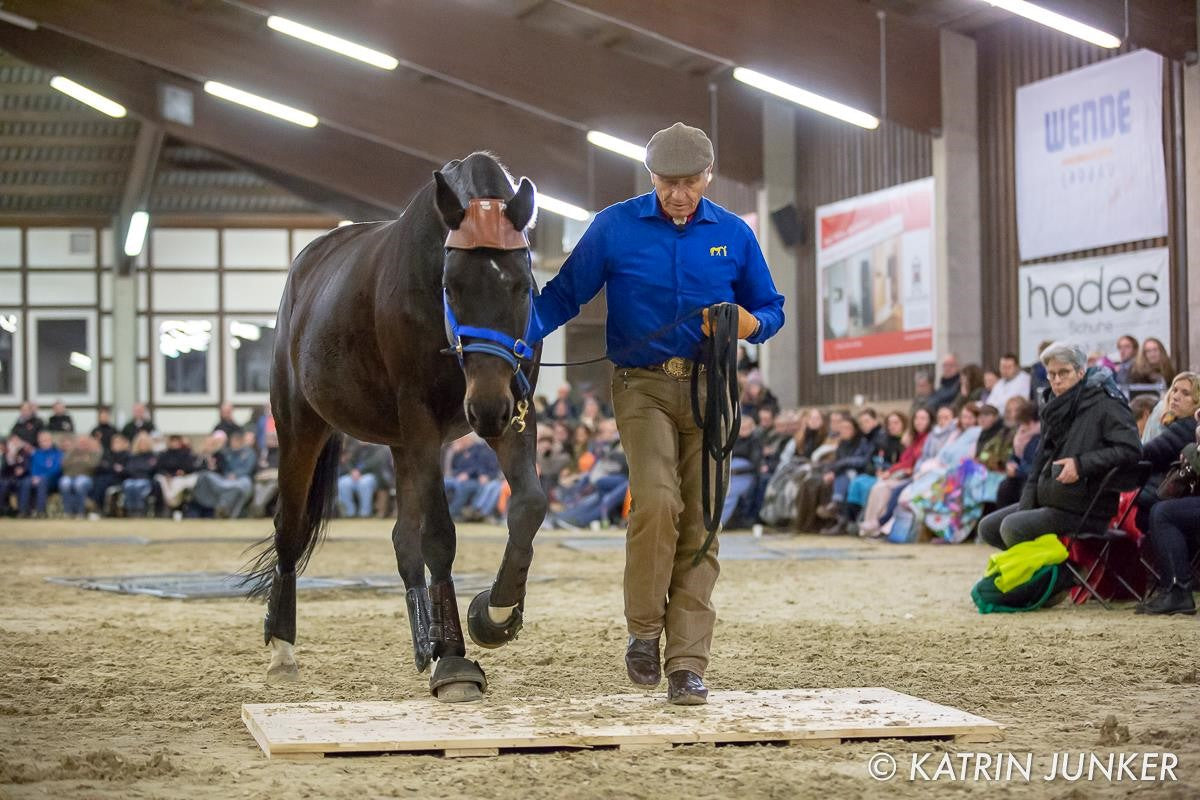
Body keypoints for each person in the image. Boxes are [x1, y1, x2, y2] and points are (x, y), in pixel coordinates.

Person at [527, 121, 785, 705]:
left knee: (702, 523)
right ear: (651, 178)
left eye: (690, 183)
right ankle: (644, 630)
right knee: (659, 500)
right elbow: (564, 294)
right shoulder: (614, 227)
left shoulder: (736, 234)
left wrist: (750, 323)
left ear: (708, 177)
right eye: (668, 183)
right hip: (641, 386)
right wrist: (517, 338)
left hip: (712, 390)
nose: (678, 194)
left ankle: (686, 664)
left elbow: (771, 308)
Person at [978, 342, 1142, 551]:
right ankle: (1049, 573)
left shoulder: (1107, 404)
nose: (1056, 380)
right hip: (1051, 498)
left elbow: (1131, 450)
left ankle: (1055, 577)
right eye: (1051, 374)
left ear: (1081, 372)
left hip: (1087, 507)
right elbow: (1038, 462)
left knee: (1012, 528)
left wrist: (1081, 465)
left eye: (1063, 373)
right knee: (988, 528)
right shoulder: (1052, 405)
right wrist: (1027, 505)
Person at [1138, 409, 1200, 615]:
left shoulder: (1184, 425)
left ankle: (1178, 590)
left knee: (1164, 514)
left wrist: (1191, 450)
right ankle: (1174, 588)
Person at [1134, 373, 1199, 529]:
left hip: (1167, 495)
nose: (1176, 396)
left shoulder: (1188, 426)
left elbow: (1149, 451)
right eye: (1174, 390)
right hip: (1164, 491)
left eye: (1185, 393)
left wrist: (1120, 452)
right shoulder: (1176, 424)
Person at [857, 407, 933, 538]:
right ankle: (869, 524)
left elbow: (912, 463)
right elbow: (904, 460)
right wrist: (888, 471)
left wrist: (891, 471)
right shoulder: (913, 439)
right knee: (877, 487)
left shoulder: (927, 438)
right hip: (902, 473)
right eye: (917, 418)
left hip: (914, 476)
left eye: (923, 419)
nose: (919, 422)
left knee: (884, 488)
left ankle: (878, 524)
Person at [193, 430, 256, 518]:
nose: (234, 443)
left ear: (241, 441)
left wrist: (236, 475)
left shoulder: (249, 453)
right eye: (233, 441)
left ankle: (226, 509)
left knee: (239, 487)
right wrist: (228, 475)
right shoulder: (227, 453)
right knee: (224, 485)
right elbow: (224, 467)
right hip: (227, 479)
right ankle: (222, 509)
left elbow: (248, 469)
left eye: (236, 441)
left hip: (242, 479)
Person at [19, 430, 63, 517]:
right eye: (42, 441)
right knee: (25, 482)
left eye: (46, 440)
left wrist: (41, 477)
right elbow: (33, 468)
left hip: (52, 480)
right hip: (36, 478)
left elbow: (56, 469)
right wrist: (34, 477)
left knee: (43, 481)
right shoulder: (36, 453)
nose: (44, 443)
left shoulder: (58, 453)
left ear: (51, 440)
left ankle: (40, 511)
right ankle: (23, 511)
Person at [155, 434, 201, 514]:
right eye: (172, 441)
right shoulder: (163, 455)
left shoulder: (186, 454)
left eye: (176, 441)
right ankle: (165, 507)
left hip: (181, 478)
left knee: (181, 483)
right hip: (166, 478)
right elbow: (159, 468)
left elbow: (191, 468)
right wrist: (167, 475)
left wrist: (183, 472)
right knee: (159, 481)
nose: (174, 444)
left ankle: (178, 507)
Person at [59, 434, 100, 517]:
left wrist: (76, 462)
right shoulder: (70, 453)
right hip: (69, 476)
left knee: (79, 483)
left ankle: (80, 512)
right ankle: (67, 511)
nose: (82, 444)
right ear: (76, 443)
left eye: (84, 442)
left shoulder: (92, 453)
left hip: (86, 478)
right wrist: (83, 461)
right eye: (80, 442)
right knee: (64, 483)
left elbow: (93, 466)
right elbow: (64, 465)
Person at [90, 434, 129, 515]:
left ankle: (97, 507)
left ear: (124, 444)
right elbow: (100, 467)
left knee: (103, 482)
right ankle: (93, 504)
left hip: (119, 480)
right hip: (105, 477)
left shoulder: (127, 455)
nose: (115, 444)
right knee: (96, 480)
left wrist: (110, 467)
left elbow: (125, 471)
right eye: (113, 442)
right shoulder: (108, 454)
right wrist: (112, 468)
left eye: (117, 442)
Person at [121, 432, 158, 516]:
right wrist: (141, 469)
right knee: (128, 485)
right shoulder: (132, 457)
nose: (143, 445)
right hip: (132, 479)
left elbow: (151, 470)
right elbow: (128, 469)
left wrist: (139, 469)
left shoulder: (153, 456)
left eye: (145, 442)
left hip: (146, 480)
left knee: (139, 485)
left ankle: (139, 510)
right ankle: (130, 510)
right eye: (141, 442)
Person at [0, 434, 31, 515]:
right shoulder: (5, 454)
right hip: (7, 478)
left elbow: (27, 465)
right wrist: (11, 456)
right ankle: (3, 509)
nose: (15, 443)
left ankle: (22, 510)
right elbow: (4, 468)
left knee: (25, 483)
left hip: (22, 478)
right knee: (3, 483)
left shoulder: (24, 452)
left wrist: (22, 469)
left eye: (17, 441)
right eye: (13, 441)